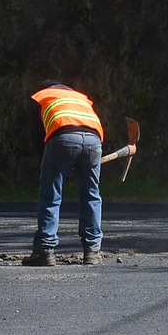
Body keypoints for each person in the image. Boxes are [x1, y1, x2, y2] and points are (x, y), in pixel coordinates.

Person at [24, 80, 105, 266]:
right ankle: (92, 251)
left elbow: (38, 135)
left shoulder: (43, 97)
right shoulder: (81, 98)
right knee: (91, 195)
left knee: (51, 195)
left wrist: (48, 163)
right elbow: (90, 128)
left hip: (62, 137)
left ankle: (44, 251)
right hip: (94, 141)